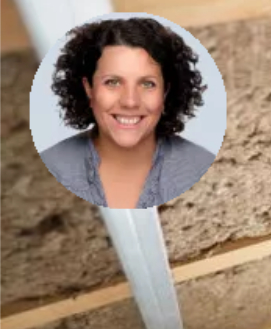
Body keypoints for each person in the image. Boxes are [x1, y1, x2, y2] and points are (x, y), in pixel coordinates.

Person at [41, 17, 215, 209]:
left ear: (165, 92)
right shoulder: (50, 169)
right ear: (88, 88)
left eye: (147, 84)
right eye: (113, 82)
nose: (130, 102)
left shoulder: (201, 166)